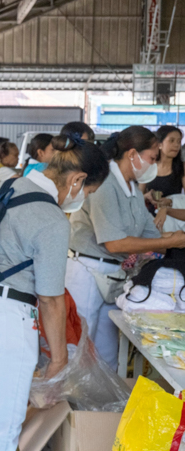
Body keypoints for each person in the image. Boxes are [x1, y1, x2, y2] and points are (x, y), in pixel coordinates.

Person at [0, 134, 111, 451]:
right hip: (4, 322)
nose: (84, 198)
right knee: (4, 431)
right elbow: (51, 299)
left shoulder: (9, 185)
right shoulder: (51, 218)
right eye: (88, 191)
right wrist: (59, 360)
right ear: (78, 179)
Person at [66, 126, 185, 370]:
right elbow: (115, 242)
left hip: (115, 275)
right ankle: (70, 406)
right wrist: (168, 242)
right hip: (87, 271)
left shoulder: (131, 189)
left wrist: (175, 240)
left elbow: (151, 235)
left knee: (107, 355)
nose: (154, 164)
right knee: (77, 351)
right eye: (152, 158)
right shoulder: (106, 184)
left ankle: (99, 407)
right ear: (133, 154)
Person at [141, 126, 185, 213]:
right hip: (150, 219)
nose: (176, 145)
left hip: (174, 219)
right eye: (171, 141)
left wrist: (171, 201)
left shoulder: (182, 167)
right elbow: (138, 197)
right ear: (159, 144)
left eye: (179, 141)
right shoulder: (148, 167)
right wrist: (147, 196)